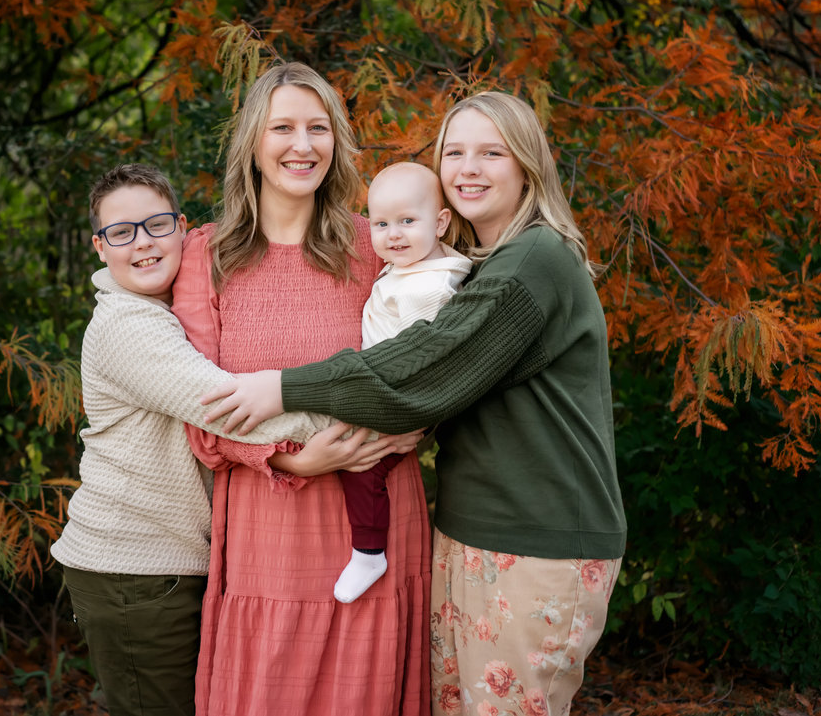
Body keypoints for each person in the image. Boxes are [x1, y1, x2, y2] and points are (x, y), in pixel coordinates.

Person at [202, 92, 627, 716]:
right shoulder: (473, 265)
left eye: (492, 152)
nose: (468, 168)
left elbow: (423, 367)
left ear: (528, 164)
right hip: (471, 529)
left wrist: (283, 386)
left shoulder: (533, 260)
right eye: (454, 152)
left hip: (541, 535)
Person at [170, 62, 431, 716]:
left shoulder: (381, 245)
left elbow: (445, 354)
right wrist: (296, 459)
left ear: (337, 141)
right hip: (267, 523)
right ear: (252, 143)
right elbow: (198, 410)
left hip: (372, 516)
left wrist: (424, 422)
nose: (302, 145)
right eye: (282, 127)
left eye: (319, 128)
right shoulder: (208, 255)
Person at [49, 164, 343, 716]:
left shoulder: (172, 311)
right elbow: (228, 407)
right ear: (98, 246)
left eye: (157, 225)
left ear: (184, 228)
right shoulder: (128, 326)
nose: (142, 243)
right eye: (121, 232)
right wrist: (346, 427)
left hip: (165, 564)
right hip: (132, 566)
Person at [332, 162, 472, 604]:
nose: (393, 234)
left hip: (394, 398)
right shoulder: (410, 267)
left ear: (441, 222)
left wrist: (408, 414)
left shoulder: (429, 288)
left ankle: (369, 551)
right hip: (380, 387)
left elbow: (423, 358)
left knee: (361, 467)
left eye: (408, 222)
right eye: (381, 224)